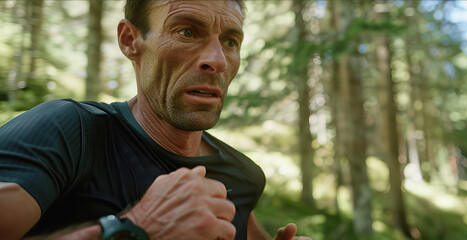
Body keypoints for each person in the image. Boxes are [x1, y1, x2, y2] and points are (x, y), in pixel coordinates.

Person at [0, 0, 309, 239]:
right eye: (187, 32)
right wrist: (134, 228)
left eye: (230, 42)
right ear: (129, 40)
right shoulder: (68, 131)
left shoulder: (243, 175)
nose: (216, 60)